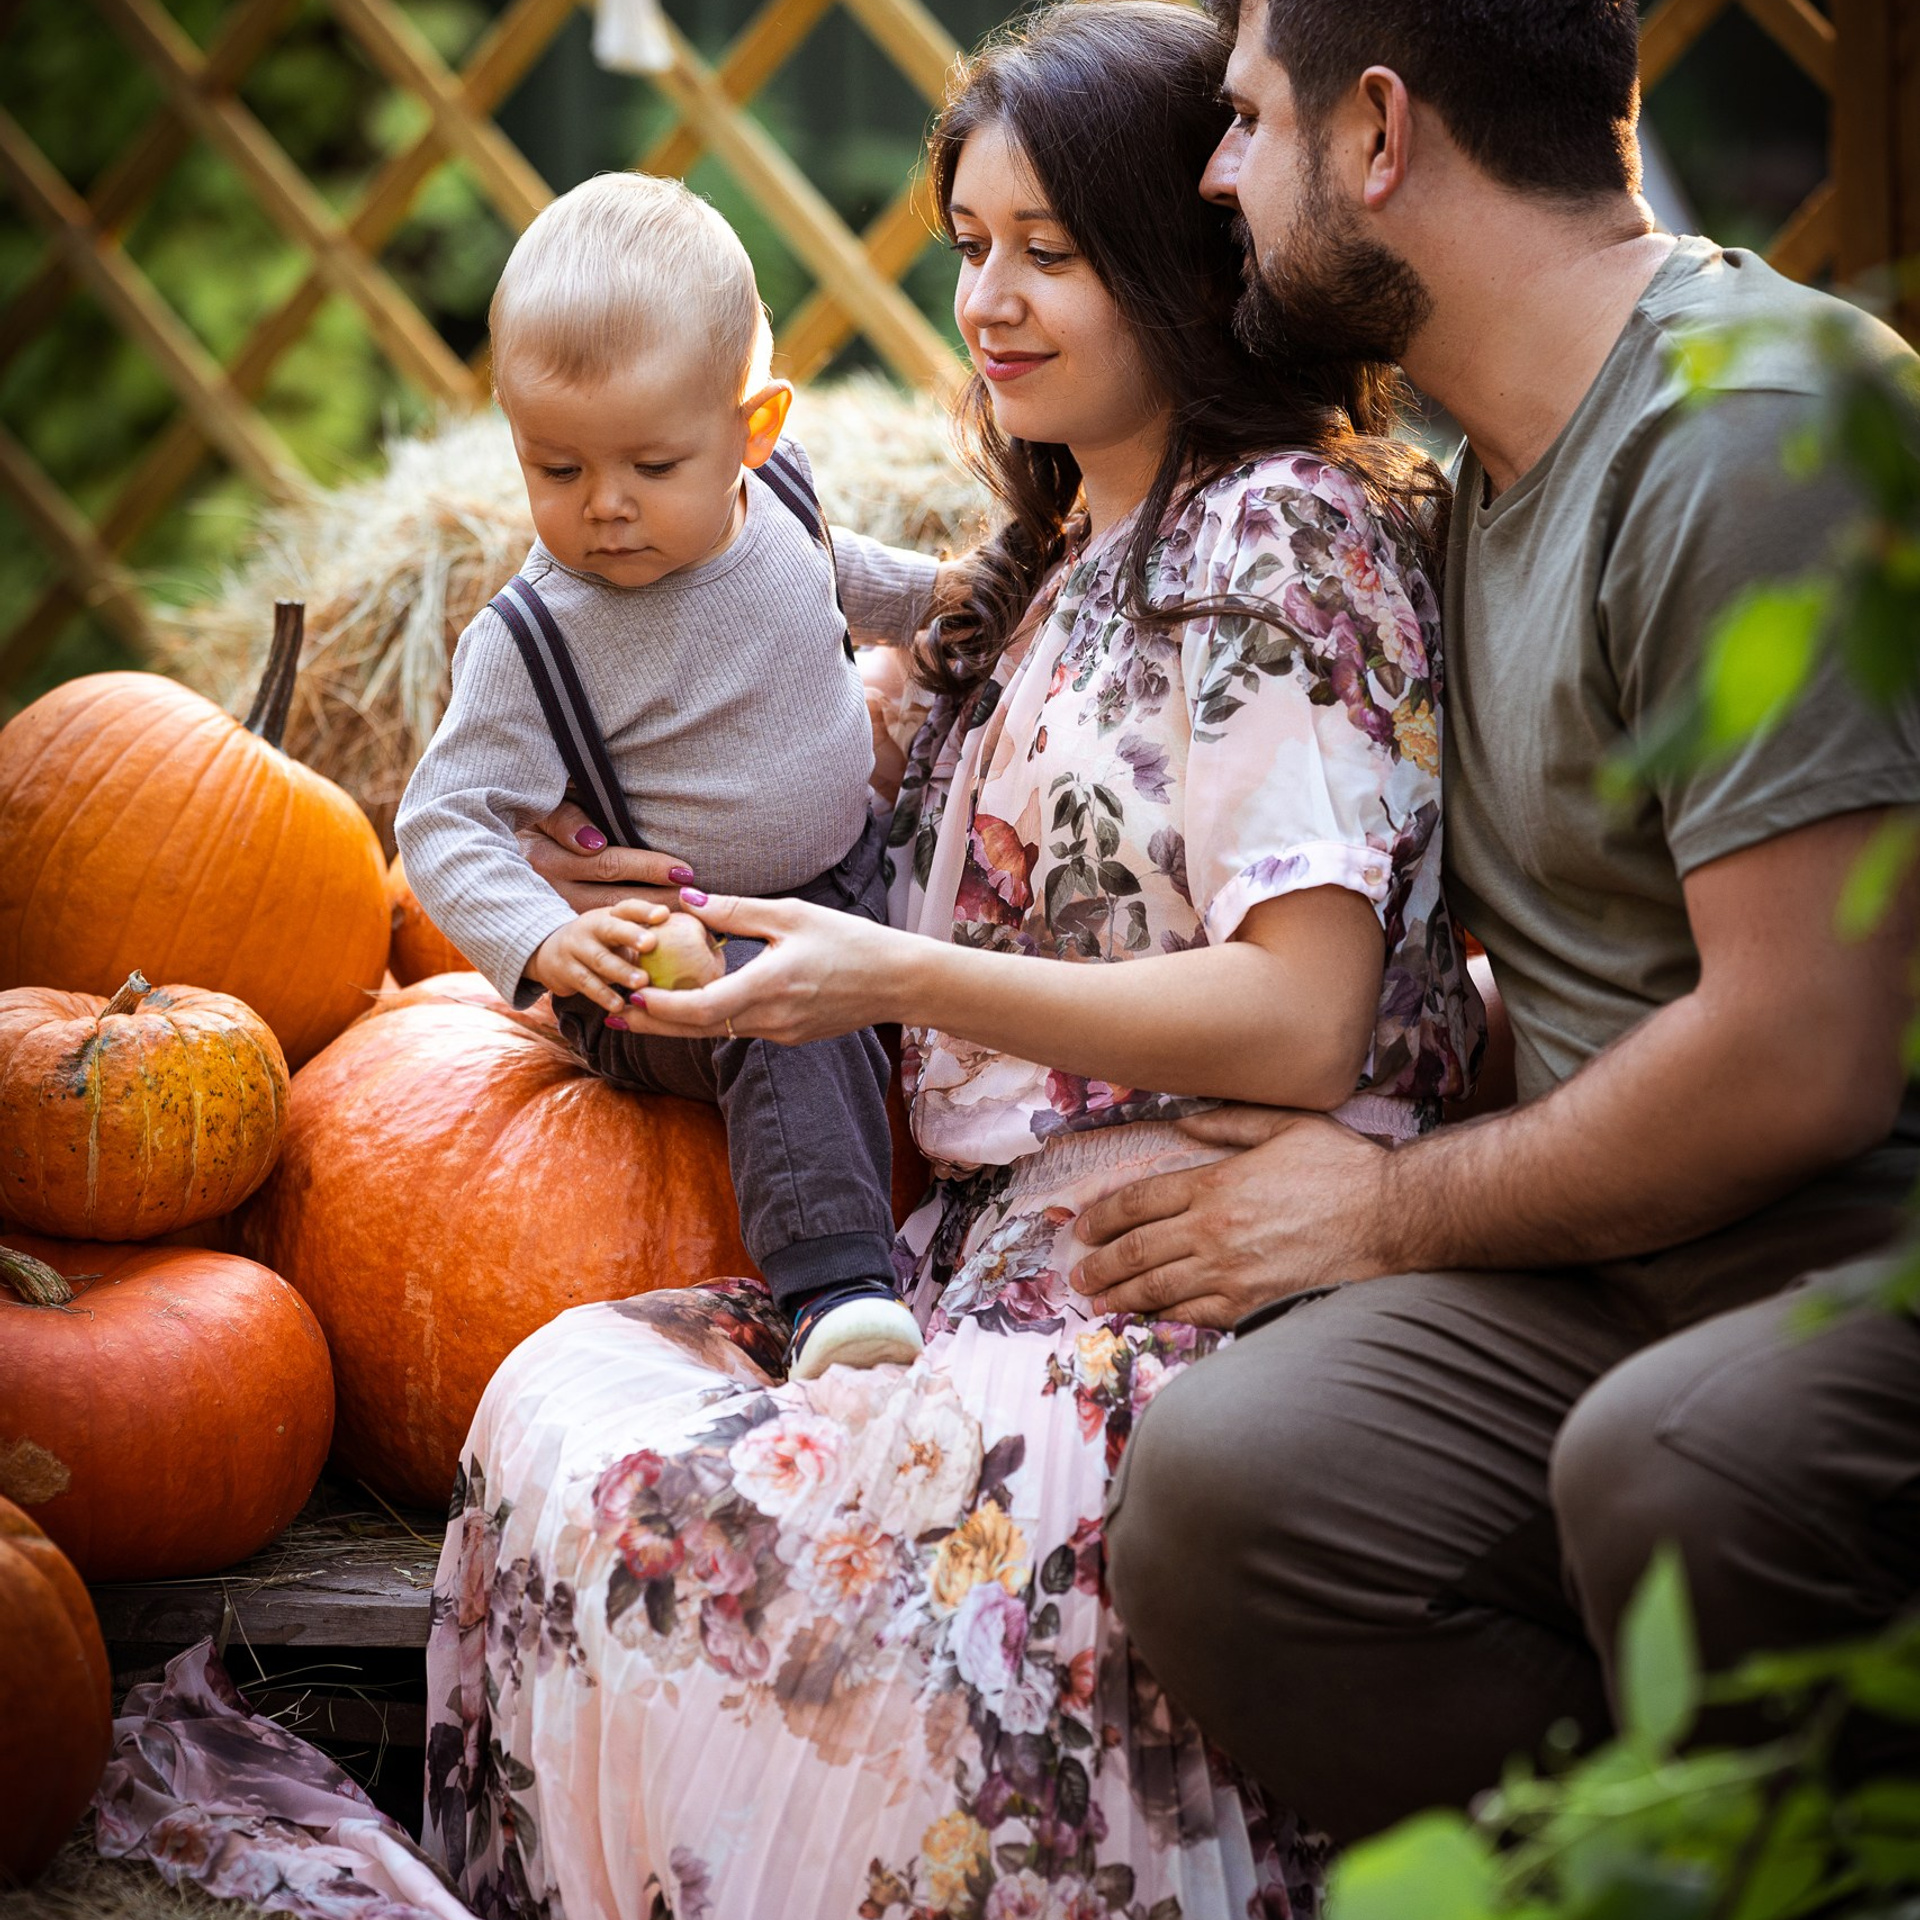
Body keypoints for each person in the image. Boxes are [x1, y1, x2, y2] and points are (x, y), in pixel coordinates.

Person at [420, 6, 1479, 1915]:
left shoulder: (1267, 543)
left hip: (1192, 1284)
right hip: (993, 1265)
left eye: (1050, 251)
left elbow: (1306, 1019)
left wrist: (888, 983)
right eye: (970, 244)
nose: (988, 299)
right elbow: (797, 778)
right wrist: (594, 869)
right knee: (564, 1402)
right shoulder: (1072, 552)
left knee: (677, 1520)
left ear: (1185, 255)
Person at [1057, 0, 1920, 1844]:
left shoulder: (1744, 436)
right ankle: (1646, 1865)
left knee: (1672, 1467)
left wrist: (1378, 1211)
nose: (1216, 181)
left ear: (1375, 135)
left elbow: (1805, 1055)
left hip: (1857, 1252)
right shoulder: (1476, 495)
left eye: (1240, 125)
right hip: (1638, 1262)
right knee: (1229, 1493)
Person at [395, 172, 933, 1380]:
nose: (606, 509)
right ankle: (838, 1294)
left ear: (754, 432)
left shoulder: (775, 498)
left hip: (851, 865)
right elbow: (442, 820)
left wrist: (950, 598)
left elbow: (839, 576)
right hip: (678, 957)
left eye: (649, 464)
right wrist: (540, 937)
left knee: (975, 927)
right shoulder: (537, 638)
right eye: (559, 468)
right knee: (792, 1017)